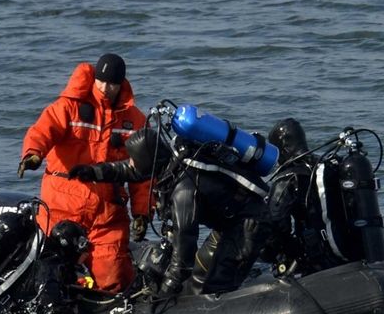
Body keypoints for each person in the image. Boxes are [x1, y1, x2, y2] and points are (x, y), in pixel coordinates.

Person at [69, 127, 275, 297]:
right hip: (229, 223)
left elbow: (184, 252)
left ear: (148, 161)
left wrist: (166, 290)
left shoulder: (183, 192)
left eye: (133, 159)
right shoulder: (172, 158)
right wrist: (95, 171)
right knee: (199, 278)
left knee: (216, 288)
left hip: (248, 225)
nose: (130, 162)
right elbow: (131, 170)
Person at [17, 54, 152, 293]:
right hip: (62, 206)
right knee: (52, 272)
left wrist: (142, 211)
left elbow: (143, 172)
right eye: (101, 81)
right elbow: (43, 131)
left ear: (122, 83)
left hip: (107, 212)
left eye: (111, 83)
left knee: (112, 274)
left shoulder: (135, 121)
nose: (105, 88)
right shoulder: (69, 107)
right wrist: (33, 154)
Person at [265, 118, 348, 275]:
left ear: (281, 149)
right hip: (347, 250)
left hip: (318, 260)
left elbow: (276, 226)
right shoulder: (329, 165)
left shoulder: (287, 178)